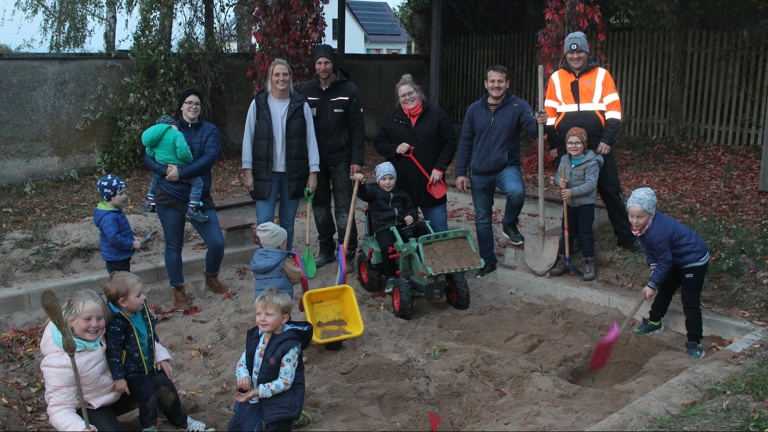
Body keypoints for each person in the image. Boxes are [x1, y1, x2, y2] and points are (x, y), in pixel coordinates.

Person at [39, 289, 211, 432]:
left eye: (99, 318)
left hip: (120, 388)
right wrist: (78, 428)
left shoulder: (107, 329)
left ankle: (182, 421)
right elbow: (59, 408)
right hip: (93, 406)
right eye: (87, 320)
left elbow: (137, 339)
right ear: (70, 321)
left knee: (158, 380)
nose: (95, 324)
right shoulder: (60, 360)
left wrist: (159, 355)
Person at [544, 31, 643, 254]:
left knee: (610, 191)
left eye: (579, 50)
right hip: (568, 147)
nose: (575, 55)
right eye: (571, 51)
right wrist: (553, 145)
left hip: (598, 144)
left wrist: (608, 140)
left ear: (587, 52)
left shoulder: (602, 76)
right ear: (565, 54)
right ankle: (572, 241)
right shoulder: (556, 78)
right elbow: (550, 114)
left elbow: (614, 112)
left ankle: (626, 238)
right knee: (570, 195)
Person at [455, 65, 547, 278]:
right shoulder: (474, 110)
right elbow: (466, 141)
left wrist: (541, 122)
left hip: (506, 167)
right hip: (478, 172)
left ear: (507, 84)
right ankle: (488, 261)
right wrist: (460, 172)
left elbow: (533, 131)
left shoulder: (518, 106)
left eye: (500, 81)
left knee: (516, 192)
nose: (496, 85)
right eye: (492, 81)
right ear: (486, 84)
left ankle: (509, 223)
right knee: (482, 219)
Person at [144, 88, 229, 311]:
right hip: (169, 197)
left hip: (198, 197)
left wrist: (182, 173)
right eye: (189, 103)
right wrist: (165, 171)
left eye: (197, 103)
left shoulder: (209, 130)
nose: (193, 106)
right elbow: (148, 155)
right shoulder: (166, 129)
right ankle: (178, 290)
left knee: (217, 243)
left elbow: (209, 158)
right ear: (181, 106)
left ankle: (211, 277)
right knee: (174, 246)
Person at [102, 272, 212, 431]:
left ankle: (182, 421)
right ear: (123, 302)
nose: (144, 298)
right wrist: (119, 377)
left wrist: (159, 355)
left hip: (146, 363)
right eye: (138, 295)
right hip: (132, 371)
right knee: (148, 396)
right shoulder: (117, 323)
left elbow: (150, 334)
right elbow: (113, 353)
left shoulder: (141, 310)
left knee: (164, 385)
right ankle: (148, 426)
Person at [242, 59, 320, 252]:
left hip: (292, 173)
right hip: (263, 172)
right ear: (270, 78)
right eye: (277, 74)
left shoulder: (300, 105)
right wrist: (248, 170)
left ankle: (284, 260)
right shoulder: (259, 103)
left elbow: (311, 139)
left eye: (285, 74)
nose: (281, 78)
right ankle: (267, 263)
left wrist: (313, 172)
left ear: (290, 78)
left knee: (287, 222)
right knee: (264, 223)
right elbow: (248, 138)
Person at [299, 44, 365, 270]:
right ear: (314, 65)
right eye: (319, 63)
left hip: (342, 160)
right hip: (315, 161)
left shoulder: (350, 89)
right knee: (319, 206)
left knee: (344, 207)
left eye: (326, 62)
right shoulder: (305, 91)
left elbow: (358, 129)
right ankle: (326, 250)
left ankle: (347, 252)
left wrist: (357, 160)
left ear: (333, 64)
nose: (323, 67)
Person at [627, 188, 709, 359]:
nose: (634, 221)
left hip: (693, 260)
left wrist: (651, 284)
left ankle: (695, 342)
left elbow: (665, 261)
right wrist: (654, 270)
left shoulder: (656, 231)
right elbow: (653, 252)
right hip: (674, 258)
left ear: (650, 214)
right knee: (665, 289)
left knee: (690, 301)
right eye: (631, 216)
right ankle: (654, 322)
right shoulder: (643, 227)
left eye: (639, 216)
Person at [374, 74, 456, 235]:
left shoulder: (436, 114)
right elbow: (379, 143)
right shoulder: (392, 119)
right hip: (403, 186)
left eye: (410, 93)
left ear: (418, 93)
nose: (408, 97)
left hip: (431, 183)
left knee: (439, 231)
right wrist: (395, 148)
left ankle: (436, 259)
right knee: (406, 232)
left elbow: (450, 141)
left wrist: (440, 167)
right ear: (399, 99)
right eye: (403, 95)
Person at [229, 289, 313, 431]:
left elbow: (285, 382)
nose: (262, 319)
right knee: (234, 428)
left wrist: (256, 392)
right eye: (259, 314)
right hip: (255, 397)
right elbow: (243, 360)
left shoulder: (289, 346)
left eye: (268, 315)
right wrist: (243, 375)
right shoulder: (257, 337)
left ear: (284, 318)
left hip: (279, 402)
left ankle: (293, 420)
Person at [351, 162, 419, 293]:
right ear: (378, 180)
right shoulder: (374, 193)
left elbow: (411, 207)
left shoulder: (402, 194)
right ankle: (391, 277)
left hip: (403, 226)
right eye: (383, 179)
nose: (387, 182)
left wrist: (411, 215)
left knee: (417, 238)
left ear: (395, 179)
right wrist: (361, 183)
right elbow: (363, 194)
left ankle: (419, 267)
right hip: (385, 228)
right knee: (388, 249)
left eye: (391, 178)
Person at [549, 127, 603, 281]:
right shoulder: (565, 160)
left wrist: (572, 192)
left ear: (584, 144)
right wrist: (561, 182)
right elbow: (558, 175)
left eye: (578, 143)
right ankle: (562, 260)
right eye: (570, 143)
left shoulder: (591, 163)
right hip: (569, 205)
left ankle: (589, 262)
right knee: (566, 232)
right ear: (566, 145)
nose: (574, 146)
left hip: (584, 204)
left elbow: (591, 185)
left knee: (585, 233)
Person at [141, 115, 207, 223]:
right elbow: (183, 152)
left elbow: (150, 152)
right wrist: (188, 161)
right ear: (172, 125)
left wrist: (161, 160)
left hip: (163, 167)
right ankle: (193, 207)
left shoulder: (155, 139)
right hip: (179, 166)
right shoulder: (176, 134)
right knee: (198, 182)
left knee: (155, 178)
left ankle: (150, 201)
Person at [94, 174, 141, 274]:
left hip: (120, 256)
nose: (125, 196)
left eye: (124, 193)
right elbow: (114, 238)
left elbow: (122, 229)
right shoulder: (109, 217)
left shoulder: (114, 210)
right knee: (121, 285)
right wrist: (131, 244)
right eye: (121, 194)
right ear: (110, 196)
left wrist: (132, 236)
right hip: (116, 258)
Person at [251, 222, 303, 300]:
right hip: (281, 302)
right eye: (285, 242)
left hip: (262, 301)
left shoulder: (257, 260)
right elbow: (296, 276)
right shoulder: (283, 260)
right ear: (280, 245)